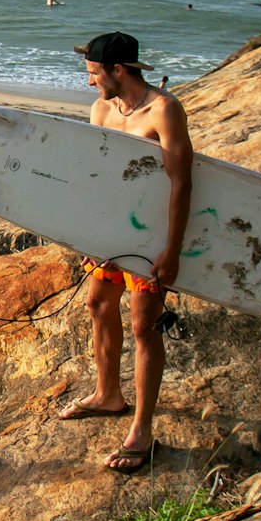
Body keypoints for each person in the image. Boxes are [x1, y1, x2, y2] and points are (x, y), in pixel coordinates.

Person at [59, 33, 194, 472]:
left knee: (143, 327)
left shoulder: (163, 110)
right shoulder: (102, 108)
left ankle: (142, 429)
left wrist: (171, 250)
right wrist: (88, 232)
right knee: (98, 304)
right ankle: (107, 394)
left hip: (149, 235)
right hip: (111, 230)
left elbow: (181, 182)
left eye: (95, 74)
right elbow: (97, 175)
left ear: (119, 70)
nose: (90, 83)